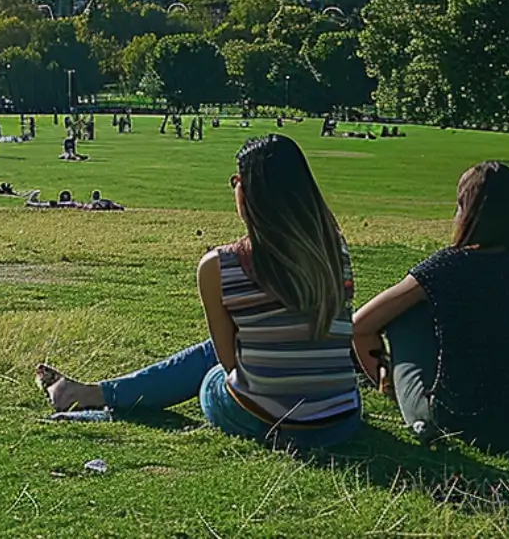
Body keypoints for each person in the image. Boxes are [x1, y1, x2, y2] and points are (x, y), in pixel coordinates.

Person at [35, 135, 360, 448]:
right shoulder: (335, 252)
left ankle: (97, 395)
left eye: (236, 181)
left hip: (266, 420)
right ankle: (96, 394)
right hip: (342, 419)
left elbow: (228, 362)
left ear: (246, 190)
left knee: (211, 371)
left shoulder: (220, 265)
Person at [351, 162, 509, 462]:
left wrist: (383, 370)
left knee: (405, 316)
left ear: (466, 212)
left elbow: (360, 326)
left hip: (466, 425)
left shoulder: (447, 268)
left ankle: (395, 390)